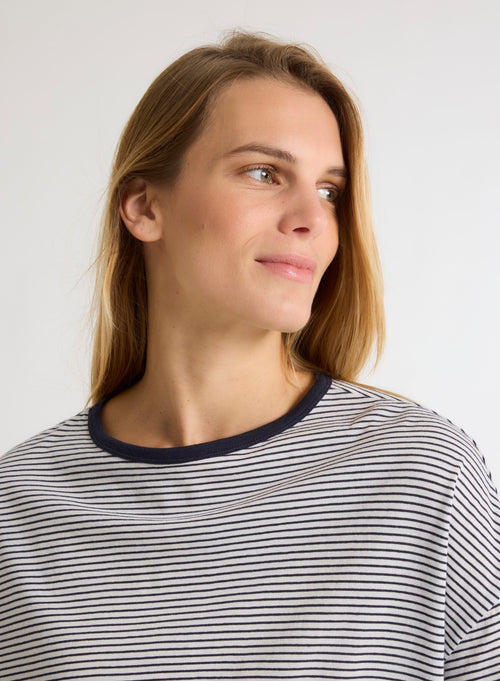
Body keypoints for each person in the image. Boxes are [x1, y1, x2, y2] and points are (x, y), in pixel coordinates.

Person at [1, 31, 499, 680]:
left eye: (330, 191)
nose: (312, 217)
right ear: (144, 206)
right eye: (264, 173)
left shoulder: (422, 477)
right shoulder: (18, 507)